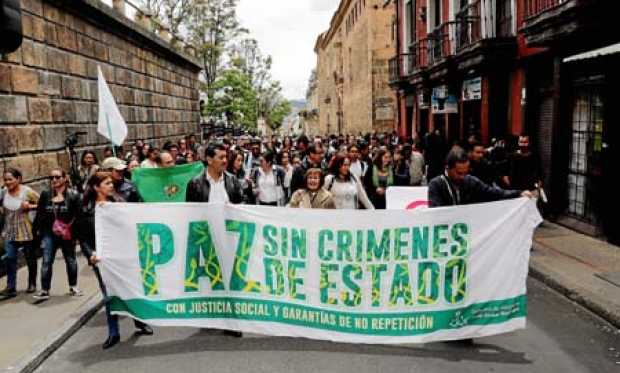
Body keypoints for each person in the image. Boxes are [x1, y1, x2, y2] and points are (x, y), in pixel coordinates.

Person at [76, 172, 153, 349]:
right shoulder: (86, 210)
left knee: (129, 289)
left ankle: (139, 322)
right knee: (109, 294)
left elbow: (129, 229)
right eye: (107, 183)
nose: (111, 186)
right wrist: (91, 256)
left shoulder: (119, 204)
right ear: (96, 187)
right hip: (101, 260)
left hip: (123, 256)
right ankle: (113, 333)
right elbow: (83, 238)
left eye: (112, 183)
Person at [185, 144, 243, 337]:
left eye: (226, 157)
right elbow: (190, 214)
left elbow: (242, 206)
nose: (225, 160)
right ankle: (212, 316)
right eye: (220, 157)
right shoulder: (195, 184)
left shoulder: (233, 181)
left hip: (229, 239)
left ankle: (232, 322)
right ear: (209, 160)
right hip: (206, 239)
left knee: (230, 279)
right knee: (211, 279)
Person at [32, 168, 82, 300]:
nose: (54, 180)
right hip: (49, 233)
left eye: (57, 177)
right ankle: (44, 290)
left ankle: (73, 286)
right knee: (47, 260)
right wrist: (37, 233)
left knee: (70, 259)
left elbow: (78, 216)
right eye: (51, 177)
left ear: (65, 178)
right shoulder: (46, 194)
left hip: (67, 233)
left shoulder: (73, 195)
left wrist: (76, 235)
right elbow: (39, 214)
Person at [428, 147, 534, 208]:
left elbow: (494, 193)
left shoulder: (470, 181)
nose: (462, 177)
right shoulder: (436, 184)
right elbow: (436, 212)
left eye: (465, 173)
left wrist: (518, 193)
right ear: (447, 168)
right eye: (459, 173)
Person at [0, 168, 39, 298]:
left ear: (18, 179)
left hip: (26, 229)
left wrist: (30, 206)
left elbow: (43, 203)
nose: (7, 182)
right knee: (10, 258)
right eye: (5, 179)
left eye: (10, 179)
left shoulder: (27, 191)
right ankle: (11, 287)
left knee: (30, 258)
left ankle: (32, 283)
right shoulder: (3, 192)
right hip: (9, 230)